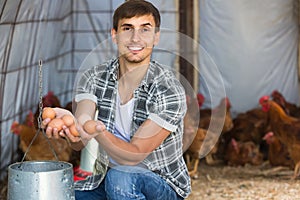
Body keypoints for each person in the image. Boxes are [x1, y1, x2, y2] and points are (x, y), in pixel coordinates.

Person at [43, 0, 191, 199]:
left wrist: (97, 131)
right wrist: (72, 125)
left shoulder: (169, 88)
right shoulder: (93, 77)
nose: (135, 38)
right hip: (107, 180)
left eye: (145, 30)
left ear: (156, 37)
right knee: (60, 194)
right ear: (114, 35)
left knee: (121, 176)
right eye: (127, 28)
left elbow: (134, 156)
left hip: (161, 183)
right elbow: (83, 126)